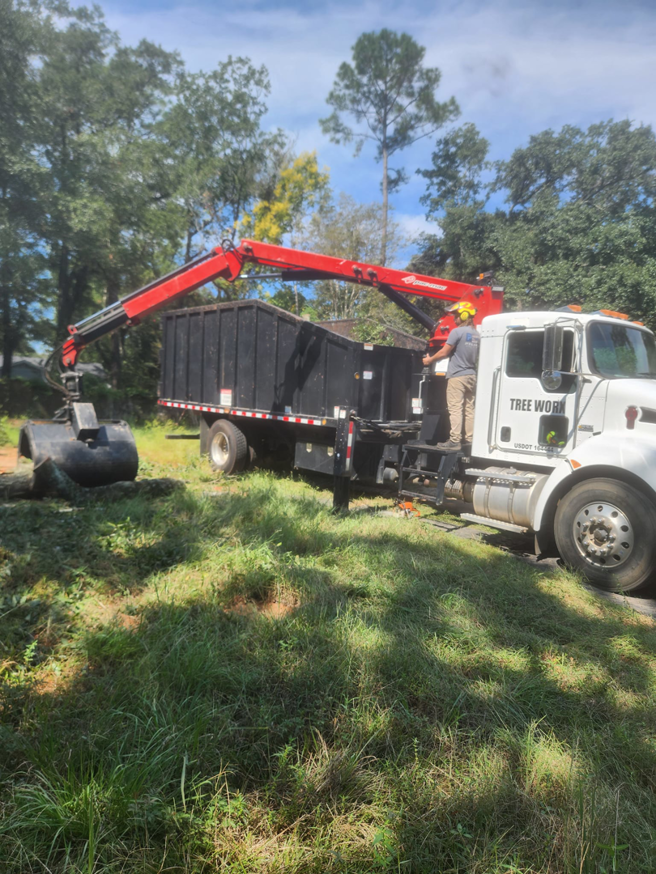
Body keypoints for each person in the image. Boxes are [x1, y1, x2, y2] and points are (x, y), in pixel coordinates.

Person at [422, 301, 480, 452]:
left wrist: (429, 360)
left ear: (464, 315)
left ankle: (454, 440)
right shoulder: (476, 334)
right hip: (472, 376)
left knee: (455, 408)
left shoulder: (457, 332)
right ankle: (469, 440)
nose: (454, 319)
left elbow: (444, 352)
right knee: (469, 409)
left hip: (457, 376)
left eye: (456, 315)